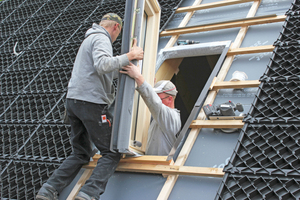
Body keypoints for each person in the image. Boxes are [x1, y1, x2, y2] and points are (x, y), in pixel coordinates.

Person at [36, 13, 143, 200]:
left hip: (74, 102)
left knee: (80, 153)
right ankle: (88, 194)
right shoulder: (102, 38)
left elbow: (100, 72)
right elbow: (103, 65)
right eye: (118, 33)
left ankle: (48, 190)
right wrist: (130, 55)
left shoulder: (88, 39)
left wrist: (126, 68)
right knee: (111, 152)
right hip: (91, 103)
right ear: (116, 28)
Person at [121, 63, 181, 155]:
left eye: (159, 98)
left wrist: (138, 76)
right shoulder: (160, 119)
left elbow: (155, 103)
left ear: (170, 99)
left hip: (160, 167)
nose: (156, 100)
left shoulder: (172, 117)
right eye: (155, 96)